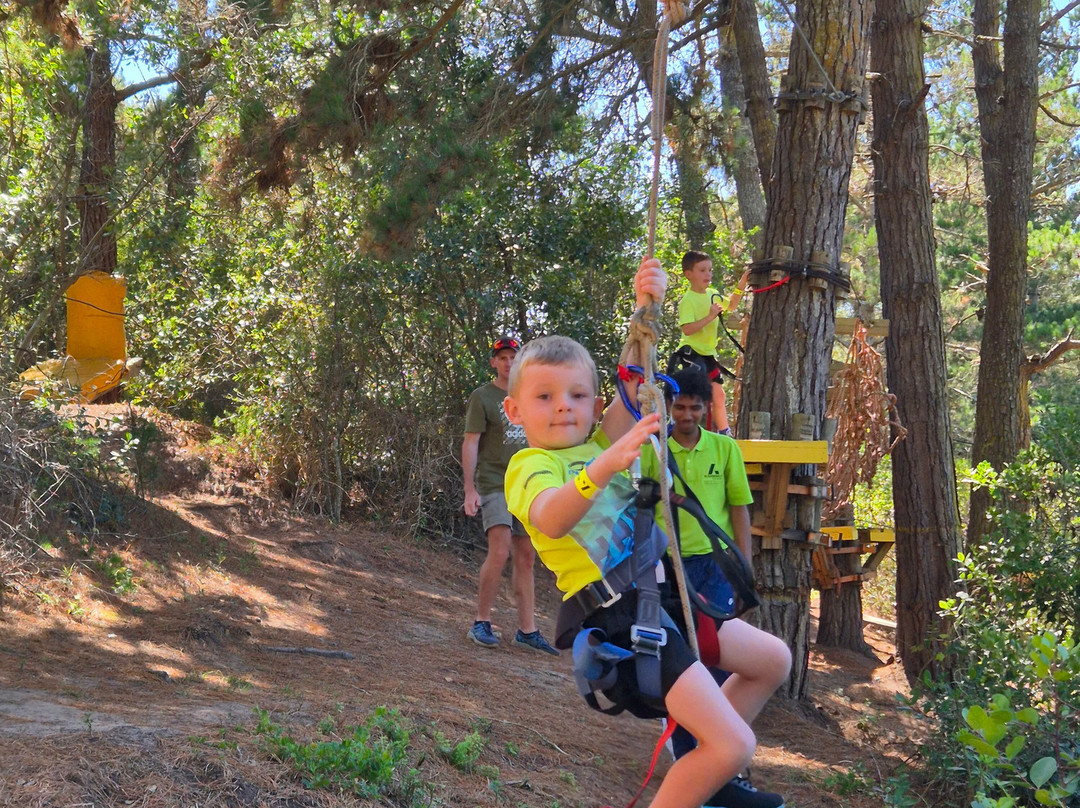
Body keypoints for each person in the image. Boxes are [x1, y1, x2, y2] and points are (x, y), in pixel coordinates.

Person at [503, 258, 791, 808]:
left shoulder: (594, 443)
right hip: (621, 616)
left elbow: (632, 384)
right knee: (733, 743)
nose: (563, 405)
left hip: (662, 597)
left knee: (772, 660)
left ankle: (711, 776)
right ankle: (713, 768)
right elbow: (550, 518)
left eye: (577, 396)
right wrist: (605, 465)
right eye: (545, 397)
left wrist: (646, 305)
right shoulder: (532, 464)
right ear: (516, 409)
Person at [643, 367, 785, 808]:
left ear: (707, 408)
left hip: (715, 566)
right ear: (670, 406)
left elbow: (739, 508)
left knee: (719, 662)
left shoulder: (724, 449)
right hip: (669, 566)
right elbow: (640, 510)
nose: (686, 414)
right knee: (684, 661)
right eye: (679, 406)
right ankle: (699, 759)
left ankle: (710, 761)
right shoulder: (653, 449)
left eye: (694, 407)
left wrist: (742, 567)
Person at [463, 336, 558, 655]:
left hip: (525, 485)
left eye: (512, 357)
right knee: (500, 549)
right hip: (493, 483)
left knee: (527, 556)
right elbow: (471, 442)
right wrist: (469, 489)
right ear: (493, 362)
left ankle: (527, 631)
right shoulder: (483, 397)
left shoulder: (527, 397)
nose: (507, 362)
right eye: (501, 357)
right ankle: (481, 621)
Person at [667, 250, 738, 434]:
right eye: (702, 270)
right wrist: (710, 316)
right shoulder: (688, 301)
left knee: (719, 395)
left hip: (708, 355)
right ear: (689, 275)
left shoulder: (713, 294)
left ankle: (725, 433)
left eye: (710, 270)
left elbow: (732, 305)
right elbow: (687, 329)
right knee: (692, 394)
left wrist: (743, 282)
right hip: (692, 354)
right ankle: (673, 427)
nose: (708, 274)